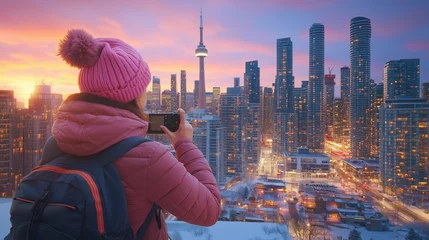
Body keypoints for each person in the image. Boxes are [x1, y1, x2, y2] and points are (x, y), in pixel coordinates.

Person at [51, 29, 221, 239]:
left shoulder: (55, 144)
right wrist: (185, 145)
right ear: (132, 94)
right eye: (143, 87)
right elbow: (209, 210)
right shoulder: (149, 158)